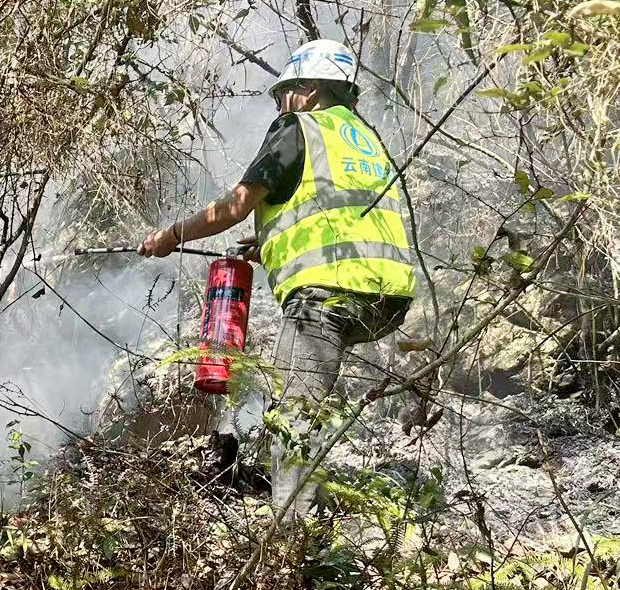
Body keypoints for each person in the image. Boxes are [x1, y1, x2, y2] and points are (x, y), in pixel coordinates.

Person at [138, 38, 421, 514]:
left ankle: (291, 539)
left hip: (325, 297)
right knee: (303, 401)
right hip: (387, 300)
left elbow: (233, 207)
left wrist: (171, 236)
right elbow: (340, 216)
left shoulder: (298, 126)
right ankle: (321, 514)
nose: (280, 104)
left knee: (295, 418)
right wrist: (268, 243)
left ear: (309, 90)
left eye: (283, 93)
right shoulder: (367, 140)